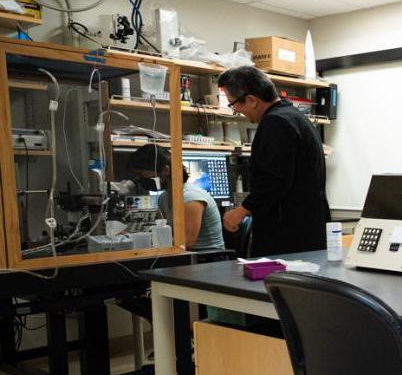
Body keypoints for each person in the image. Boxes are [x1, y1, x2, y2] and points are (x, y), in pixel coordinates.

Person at [218, 65, 328, 256]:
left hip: (286, 234)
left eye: (232, 103)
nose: (236, 110)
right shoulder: (295, 117)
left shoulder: (275, 123)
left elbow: (274, 180)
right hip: (307, 227)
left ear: (251, 100)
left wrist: (242, 210)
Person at [127, 144, 224, 251]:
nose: (140, 179)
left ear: (165, 170)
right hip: (184, 257)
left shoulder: (191, 198)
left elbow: (187, 243)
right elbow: (161, 231)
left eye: (142, 174)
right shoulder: (164, 198)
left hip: (205, 260)